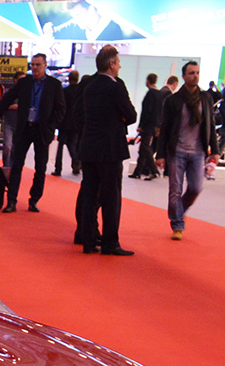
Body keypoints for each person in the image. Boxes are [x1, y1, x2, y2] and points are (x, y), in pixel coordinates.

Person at [76, 44, 137, 255]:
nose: (119, 66)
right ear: (111, 64)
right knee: (111, 196)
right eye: (118, 63)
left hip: (89, 145)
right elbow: (131, 115)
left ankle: (89, 241)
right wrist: (119, 118)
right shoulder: (116, 86)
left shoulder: (89, 85)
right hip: (110, 148)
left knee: (90, 195)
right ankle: (111, 243)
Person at [155, 60, 215, 239]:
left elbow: (210, 124)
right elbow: (164, 128)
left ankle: (178, 210)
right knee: (175, 189)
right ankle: (178, 225)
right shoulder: (173, 100)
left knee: (196, 188)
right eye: (191, 73)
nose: (195, 76)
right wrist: (160, 154)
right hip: (177, 151)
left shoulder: (205, 98)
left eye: (197, 73)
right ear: (183, 77)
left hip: (198, 152)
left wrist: (216, 150)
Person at [0, 53, 65, 213]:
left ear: (45, 65)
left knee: (40, 167)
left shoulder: (54, 85)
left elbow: (61, 108)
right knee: (16, 165)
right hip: (25, 129)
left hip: (42, 130)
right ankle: (12, 200)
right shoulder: (25, 83)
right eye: (33, 64)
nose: (34, 68)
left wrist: (51, 126)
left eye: (38, 65)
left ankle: (34, 200)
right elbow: (7, 98)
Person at [131, 72, 163, 179]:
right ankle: (137, 172)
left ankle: (154, 170)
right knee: (143, 148)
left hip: (148, 125)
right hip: (155, 125)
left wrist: (141, 125)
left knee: (145, 147)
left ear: (148, 81)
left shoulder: (150, 94)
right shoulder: (160, 94)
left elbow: (146, 111)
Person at [54, 69, 82, 176]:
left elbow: (60, 107)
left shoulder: (64, 92)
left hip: (64, 122)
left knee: (60, 146)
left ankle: (58, 168)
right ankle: (76, 163)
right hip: (75, 123)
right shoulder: (80, 93)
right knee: (72, 145)